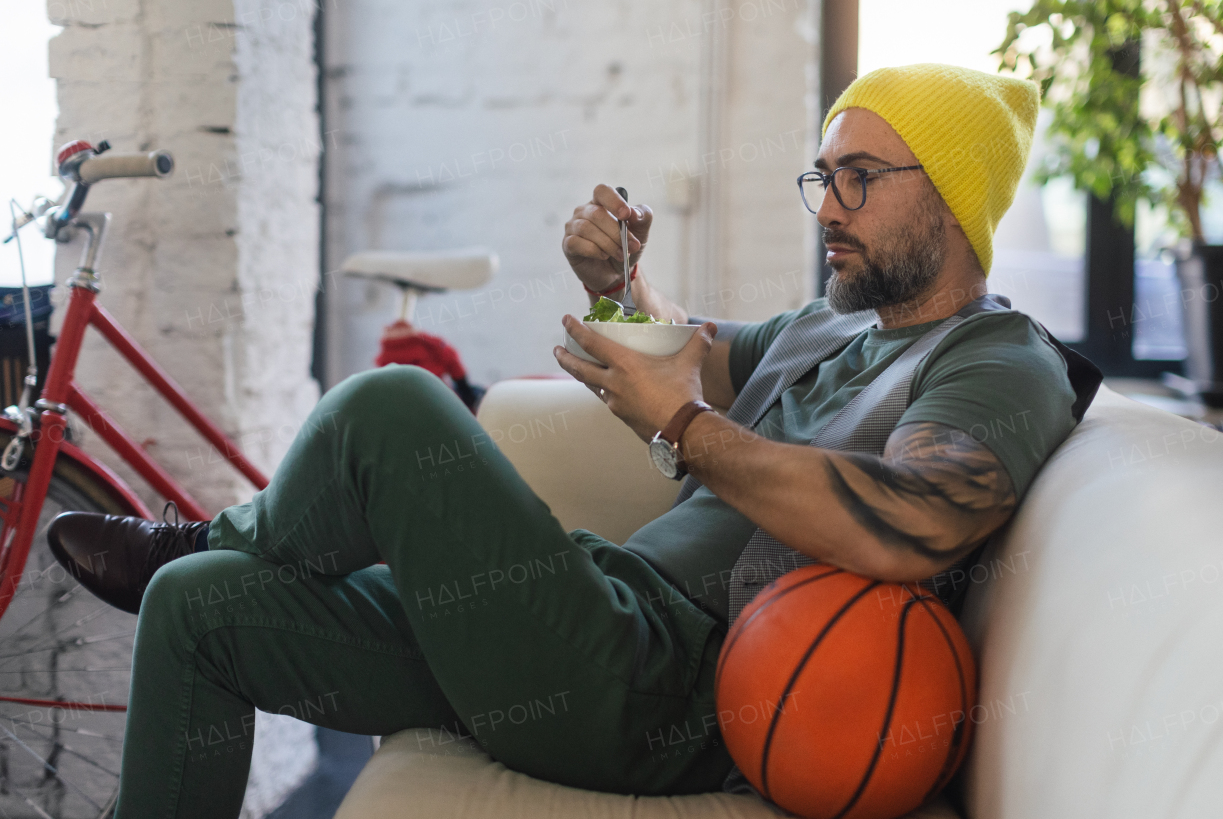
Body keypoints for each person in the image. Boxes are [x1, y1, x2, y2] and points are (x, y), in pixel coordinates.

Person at [45, 63, 1099, 817]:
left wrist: (683, 429)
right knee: (200, 612)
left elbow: (912, 523)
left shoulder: (996, 359)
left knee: (395, 404)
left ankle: (217, 533)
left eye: (860, 176)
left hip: (674, 682)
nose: (828, 206)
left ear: (954, 199)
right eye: (821, 177)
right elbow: (684, 351)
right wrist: (620, 287)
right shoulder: (831, 325)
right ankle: (205, 560)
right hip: (597, 614)